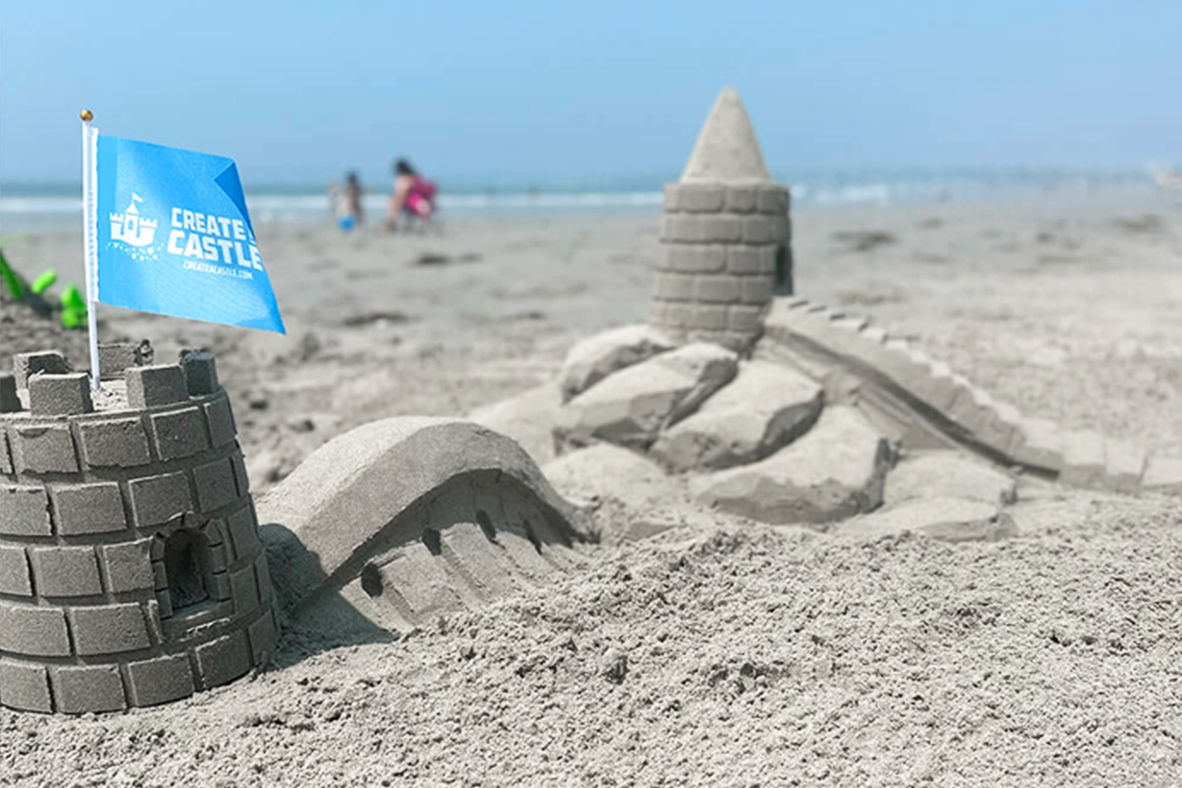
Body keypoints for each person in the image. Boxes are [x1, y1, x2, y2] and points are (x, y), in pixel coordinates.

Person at [385, 159, 437, 231]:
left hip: (411, 203)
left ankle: (391, 222)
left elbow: (401, 193)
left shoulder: (404, 179)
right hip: (422, 204)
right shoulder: (417, 178)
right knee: (395, 201)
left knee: (393, 201)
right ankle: (391, 222)